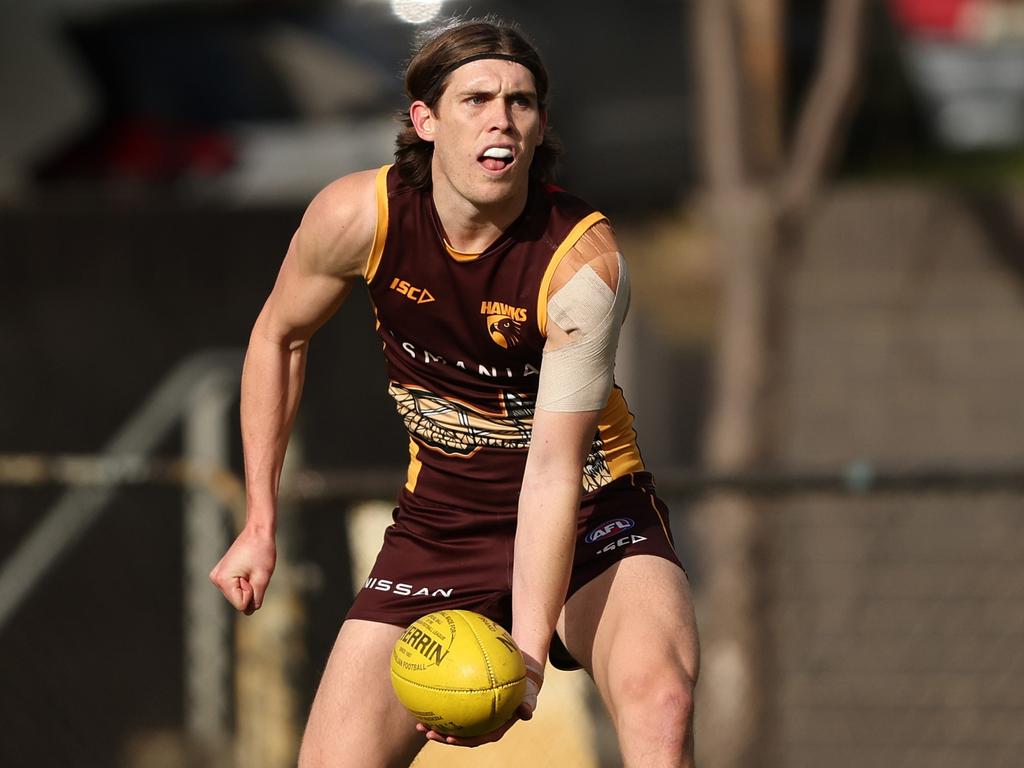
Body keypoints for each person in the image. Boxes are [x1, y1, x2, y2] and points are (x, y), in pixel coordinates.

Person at [210, 15, 699, 768]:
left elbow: (551, 471)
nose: (501, 118)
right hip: (442, 527)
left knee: (660, 701)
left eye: (522, 101)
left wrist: (526, 657)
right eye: (476, 99)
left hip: (594, 515)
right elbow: (279, 338)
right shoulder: (357, 217)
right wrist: (259, 522)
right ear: (425, 120)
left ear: (540, 130)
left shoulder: (579, 264)